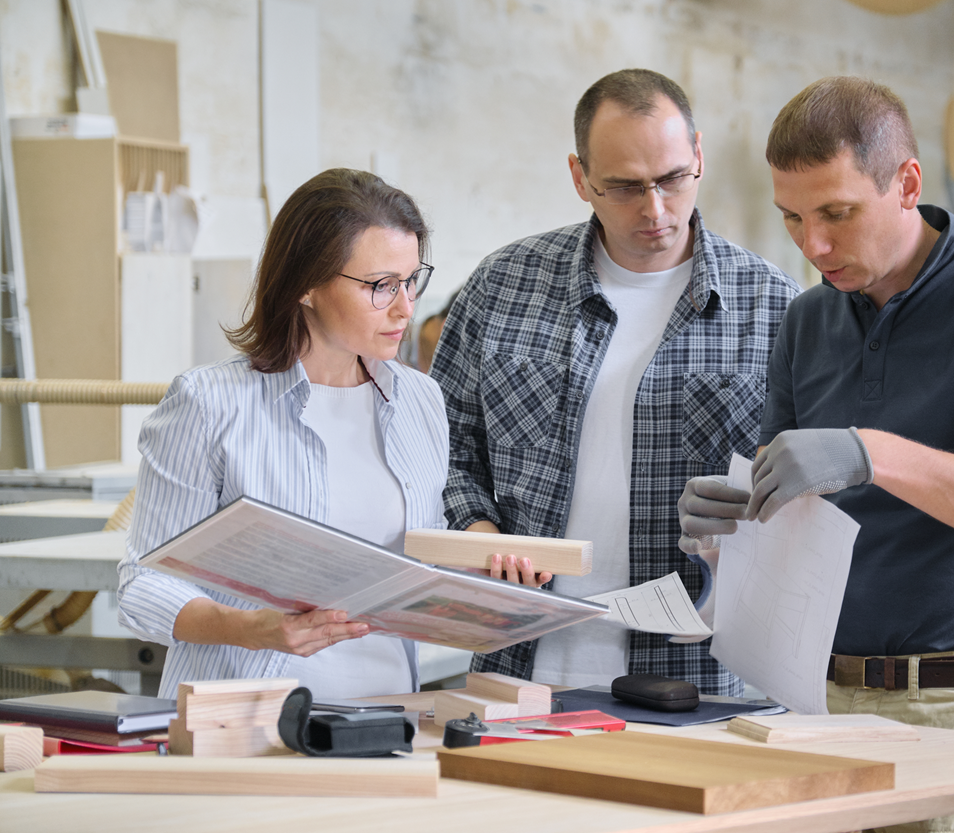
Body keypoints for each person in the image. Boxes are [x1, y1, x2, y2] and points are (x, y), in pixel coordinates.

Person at [678, 77, 954, 832]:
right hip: (819, 704)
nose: (814, 245)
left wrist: (872, 453)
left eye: (837, 213)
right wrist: (727, 530)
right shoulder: (806, 320)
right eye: (793, 218)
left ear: (907, 183)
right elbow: (790, 509)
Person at [430, 68, 798, 696]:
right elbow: (441, 448)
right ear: (580, 178)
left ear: (699, 156)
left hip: (698, 681)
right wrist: (480, 533)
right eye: (625, 187)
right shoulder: (504, 287)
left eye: (673, 179)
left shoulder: (773, 308)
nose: (655, 210)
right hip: (520, 666)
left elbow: (800, 506)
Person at [118, 168, 448, 700]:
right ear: (307, 284)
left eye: (412, 281)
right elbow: (142, 587)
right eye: (381, 285)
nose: (405, 307)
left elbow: (420, 566)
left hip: (388, 713)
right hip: (246, 722)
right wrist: (252, 630)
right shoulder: (209, 403)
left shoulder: (421, 402)